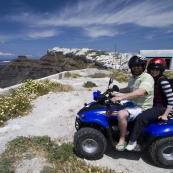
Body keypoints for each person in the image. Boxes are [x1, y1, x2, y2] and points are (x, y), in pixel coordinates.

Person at [126, 57, 173, 151]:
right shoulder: (151, 79)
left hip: (160, 107)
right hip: (151, 104)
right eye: (152, 69)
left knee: (141, 117)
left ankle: (133, 141)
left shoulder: (163, 81)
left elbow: (171, 99)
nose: (154, 71)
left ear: (161, 70)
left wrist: (165, 114)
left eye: (157, 69)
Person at [110, 55, 154, 151]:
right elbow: (128, 89)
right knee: (113, 107)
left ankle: (122, 139)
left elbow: (140, 92)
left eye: (138, 65)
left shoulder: (147, 78)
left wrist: (120, 97)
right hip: (133, 103)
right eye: (134, 66)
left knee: (121, 114)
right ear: (131, 67)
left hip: (142, 107)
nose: (136, 67)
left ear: (143, 66)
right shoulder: (133, 78)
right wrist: (116, 89)